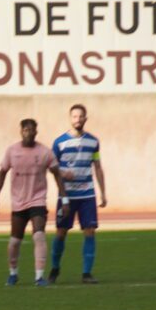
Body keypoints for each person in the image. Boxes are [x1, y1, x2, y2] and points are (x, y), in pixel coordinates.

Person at [0, 118, 71, 287]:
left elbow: (57, 174)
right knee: (15, 241)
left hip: (38, 200)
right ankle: (13, 274)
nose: (29, 133)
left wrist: (65, 199)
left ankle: (39, 277)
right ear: (21, 131)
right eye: (26, 130)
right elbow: (2, 173)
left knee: (39, 235)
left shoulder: (44, 152)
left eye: (32, 130)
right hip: (18, 202)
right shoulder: (12, 151)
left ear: (36, 132)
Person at [49, 104, 107, 284]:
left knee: (90, 231)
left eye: (81, 116)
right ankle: (54, 269)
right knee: (61, 232)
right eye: (75, 116)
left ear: (85, 119)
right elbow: (53, 168)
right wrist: (62, 175)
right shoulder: (59, 143)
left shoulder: (93, 142)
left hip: (87, 195)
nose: (78, 119)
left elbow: (97, 166)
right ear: (70, 118)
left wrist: (103, 192)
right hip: (67, 195)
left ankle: (86, 273)